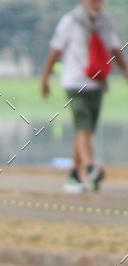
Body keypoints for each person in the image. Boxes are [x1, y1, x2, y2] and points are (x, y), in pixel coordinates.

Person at [41, 0, 127, 194]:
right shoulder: (69, 22)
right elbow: (55, 51)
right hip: (74, 83)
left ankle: (74, 175)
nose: (97, 3)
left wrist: (125, 72)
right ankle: (90, 167)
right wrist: (45, 79)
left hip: (97, 83)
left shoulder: (105, 22)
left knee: (85, 131)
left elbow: (115, 49)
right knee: (83, 126)